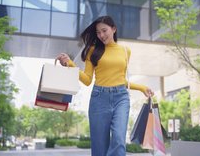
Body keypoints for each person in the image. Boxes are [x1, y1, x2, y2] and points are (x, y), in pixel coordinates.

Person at [57, 15, 154, 156]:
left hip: (121, 98)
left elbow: (120, 79)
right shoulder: (93, 51)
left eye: (104, 30)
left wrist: (141, 87)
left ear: (113, 29)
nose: (101, 35)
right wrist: (70, 64)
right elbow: (87, 80)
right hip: (99, 98)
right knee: (99, 147)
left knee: (119, 139)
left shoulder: (126, 51)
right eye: (98, 32)